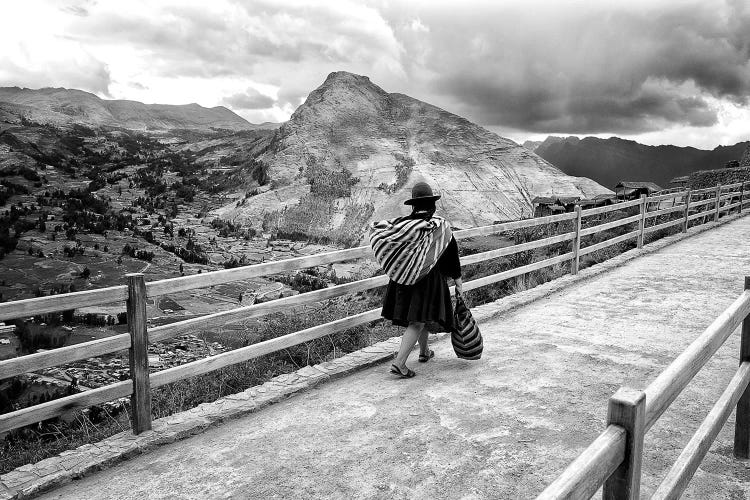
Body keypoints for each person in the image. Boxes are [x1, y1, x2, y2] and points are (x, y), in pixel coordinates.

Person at [369, 181, 463, 378]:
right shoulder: (440, 227)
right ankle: (399, 364)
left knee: (421, 317)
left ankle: (424, 351)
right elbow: (451, 257)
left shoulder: (403, 227)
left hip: (403, 278)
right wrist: (458, 282)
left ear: (414, 205)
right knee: (418, 321)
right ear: (432, 205)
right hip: (427, 281)